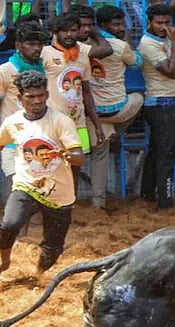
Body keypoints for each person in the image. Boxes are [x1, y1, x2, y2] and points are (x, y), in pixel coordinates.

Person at [0, 70, 86, 276]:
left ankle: (37, 276)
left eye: (40, 96)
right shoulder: (12, 123)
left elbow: (79, 157)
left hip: (60, 194)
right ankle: (4, 260)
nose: (36, 101)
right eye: (30, 97)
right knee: (9, 224)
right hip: (27, 186)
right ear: (20, 98)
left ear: (47, 95)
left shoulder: (61, 121)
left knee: (52, 249)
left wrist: (64, 154)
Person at [85, 5, 144, 211]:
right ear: (103, 25)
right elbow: (137, 62)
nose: (121, 27)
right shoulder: (119, 46)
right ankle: (116, 133)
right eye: (117, 24)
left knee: (99, 154)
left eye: (122, 23)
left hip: (93, 113)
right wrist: (126, 39)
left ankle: (97, 203)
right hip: (116, 110)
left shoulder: (84, 46)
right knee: (139, 97)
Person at [42, 13, 105, 197]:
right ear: (56, 32)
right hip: (52, 123)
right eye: (64, 31)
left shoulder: (83, 54)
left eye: (73, 30)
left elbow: (86, 92)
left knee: (77, 164)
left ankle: (70, 202)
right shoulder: (45, 53)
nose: (69, 35)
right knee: (51, 165)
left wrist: (97, 124)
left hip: (78, 123)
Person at [138, 3, 175, 210]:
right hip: (161, 103)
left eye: (167, 22)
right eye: (159, 23)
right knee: (167, 153)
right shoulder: (148, 44)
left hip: (168, 101)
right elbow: (172, 72)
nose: (164, 27)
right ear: (149, 22)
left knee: (157, 151)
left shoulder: (162, 39)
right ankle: (166, 201)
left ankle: (147, 194)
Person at [0, 21, 46, 197]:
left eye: (40, 44)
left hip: (43, 140)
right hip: (14, 141)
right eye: (31, 44)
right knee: (17, 194)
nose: (37, 48)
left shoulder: (46, 68)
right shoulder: (5, 70)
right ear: (18, 45)